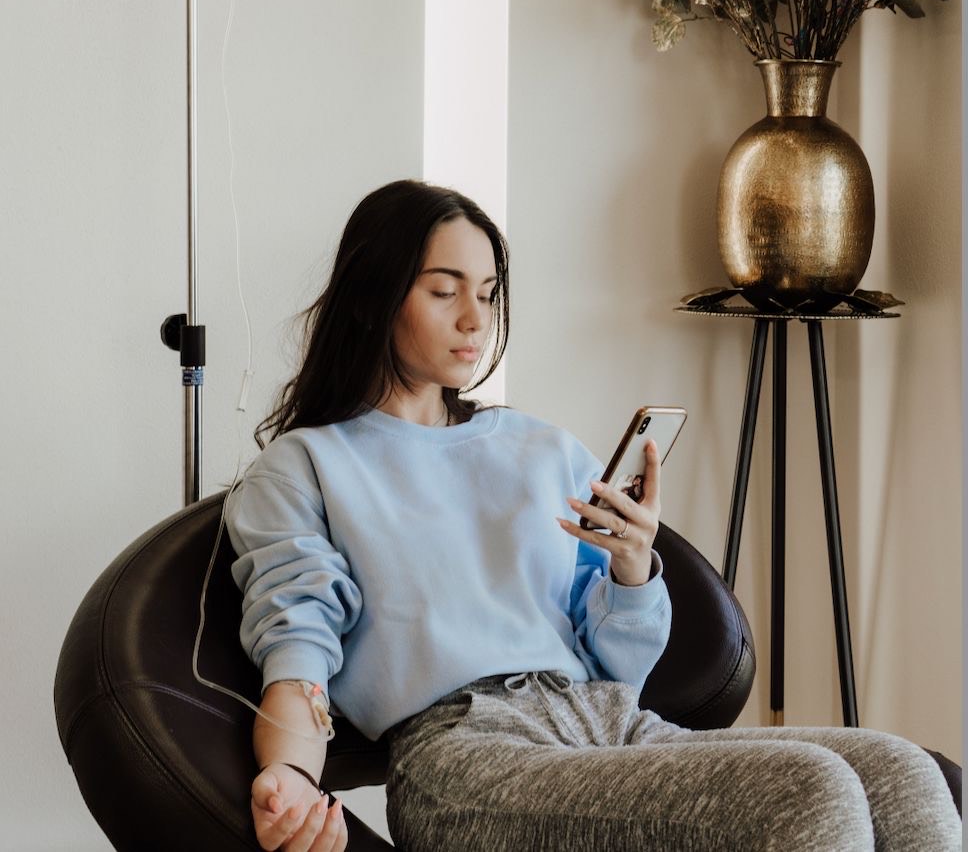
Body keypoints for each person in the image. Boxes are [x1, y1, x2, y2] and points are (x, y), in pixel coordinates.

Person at [225, 180, 961, 852]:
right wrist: (289, 772)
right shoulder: (306, 466)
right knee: (813, 791)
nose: (475, 319)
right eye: (444, 291)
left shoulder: (541, 448)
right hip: (466, 758)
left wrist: (632, 570)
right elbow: (298, 643)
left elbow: (621, 667)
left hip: (608, 723)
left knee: (903, 773)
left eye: (487, 292)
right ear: (371, 297)